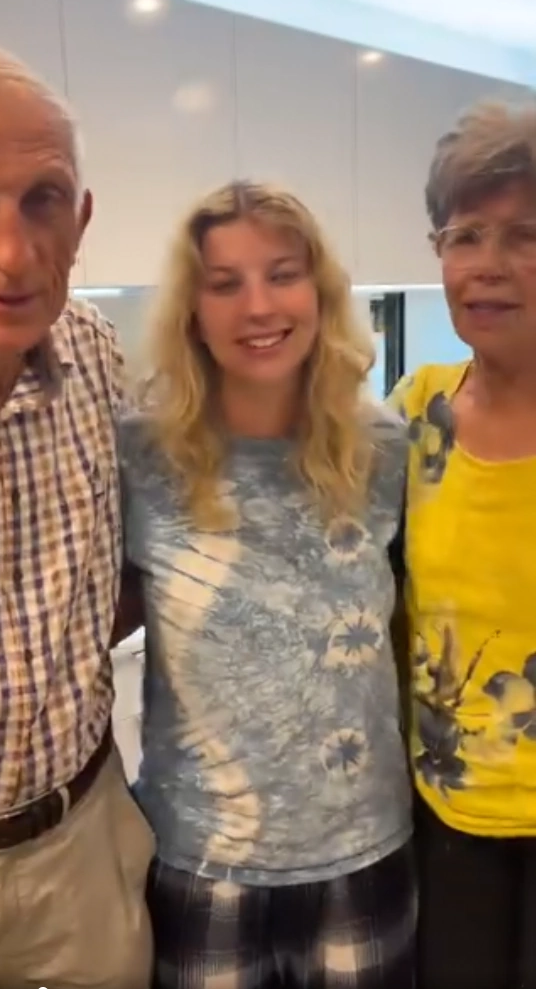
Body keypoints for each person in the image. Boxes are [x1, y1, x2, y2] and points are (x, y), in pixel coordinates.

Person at [117, 180, 416, 988]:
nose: (257, 305)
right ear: (193, 308)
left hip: (364, 848)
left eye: (282, 273)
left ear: (318, 291)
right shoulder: (140, 453)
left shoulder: (383, 446)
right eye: (225, 283)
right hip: (204, 859)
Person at [0, 44, 154, 989]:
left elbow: (135, 562)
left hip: (81, 841)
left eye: (44, 200)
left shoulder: (98, 353)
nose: (12, 253)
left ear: (83, 219)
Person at [389, 101, 536, 989]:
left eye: (526, 235)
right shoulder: (413, 414)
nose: (488, 267)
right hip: (447, 821)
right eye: (465, 234)